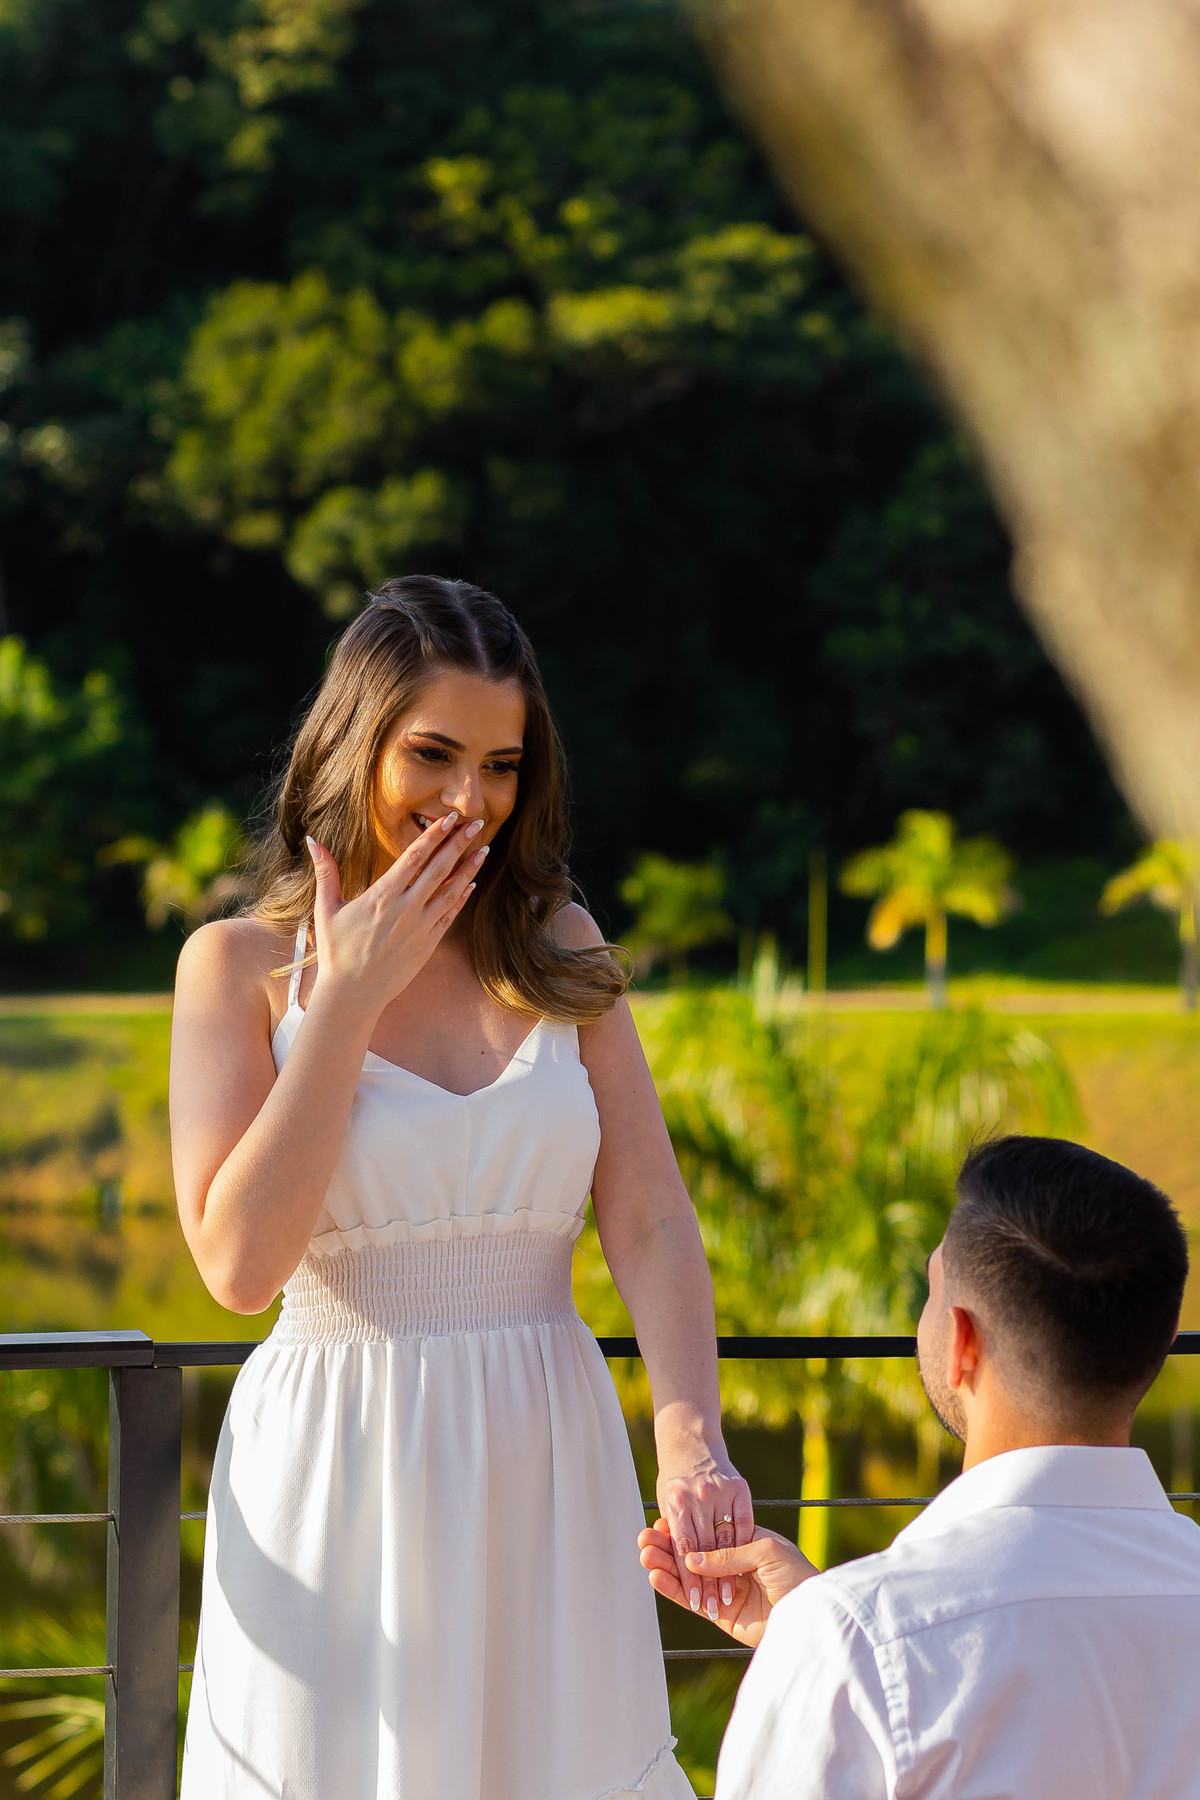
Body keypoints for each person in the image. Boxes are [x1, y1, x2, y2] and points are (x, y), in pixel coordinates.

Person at [170, 575, 752, 1800]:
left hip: (548, 1444)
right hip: (338, 1454)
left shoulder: (561, 944)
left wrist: (692, 1440)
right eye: (432, 755)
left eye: (501, 765)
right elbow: (238, 1270)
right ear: (354, 739)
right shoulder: (235, 969)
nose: (467, 801)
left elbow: (646, 1215)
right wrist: (348, 1002)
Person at [640, 1135, 1200, 1800]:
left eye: (931, 1289)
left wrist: (832, 1640)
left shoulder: (855, 1646)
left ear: (962, 1344)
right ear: (1162, 1342)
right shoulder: (852, 1639)